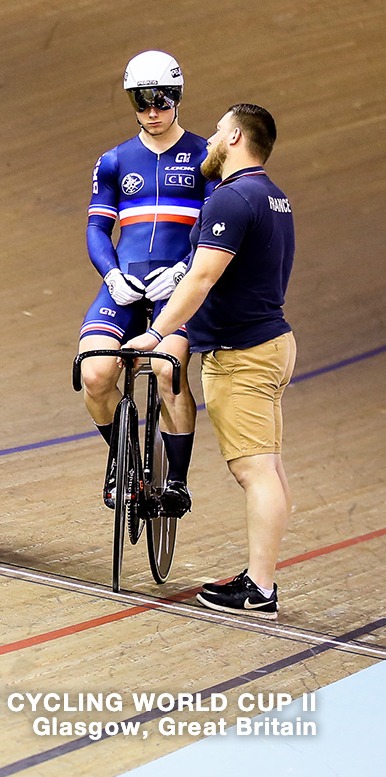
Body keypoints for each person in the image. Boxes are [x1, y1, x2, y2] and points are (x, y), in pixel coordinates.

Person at [135, 103, 295, 618]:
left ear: (235, 138)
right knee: (268, 465)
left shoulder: (230, 198)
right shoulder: (275, 197)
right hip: (272, 342)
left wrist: (157, 332)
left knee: (254, 471)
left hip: (244, 354)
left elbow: (200, 278)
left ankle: (260, 590)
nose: (208, 141)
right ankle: (260, 575)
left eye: (218, 131)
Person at [77, 51, 207, 523]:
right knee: (94, 375)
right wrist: (111, 274)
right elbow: (97, 229)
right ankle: (126, 461)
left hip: (178, 284)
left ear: (178, 96)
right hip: (126, 280)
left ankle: (176, 481)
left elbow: (215, 226)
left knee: (169, 370)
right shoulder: (113, 160)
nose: (153, 111)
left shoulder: (205, 155)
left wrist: (186, 269)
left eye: (163, 99)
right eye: (142, 101)